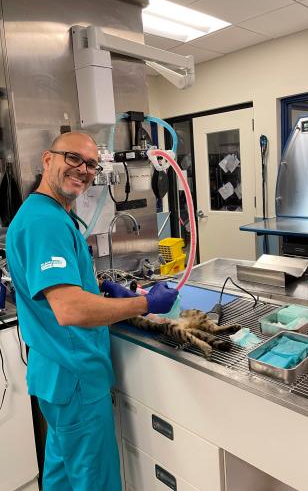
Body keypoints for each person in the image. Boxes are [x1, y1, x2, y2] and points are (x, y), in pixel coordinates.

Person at [6, 131, 178, 490]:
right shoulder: (45, 222)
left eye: (90, 164)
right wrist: (146, 303)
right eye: (73, 158)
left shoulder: (46, 213)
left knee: (63, 474)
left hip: (56, 377)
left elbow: (62, 291)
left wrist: (97, 289)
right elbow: (69, 310)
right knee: (94, 481)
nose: (82, 170)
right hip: (76, 376)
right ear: (47, 160)